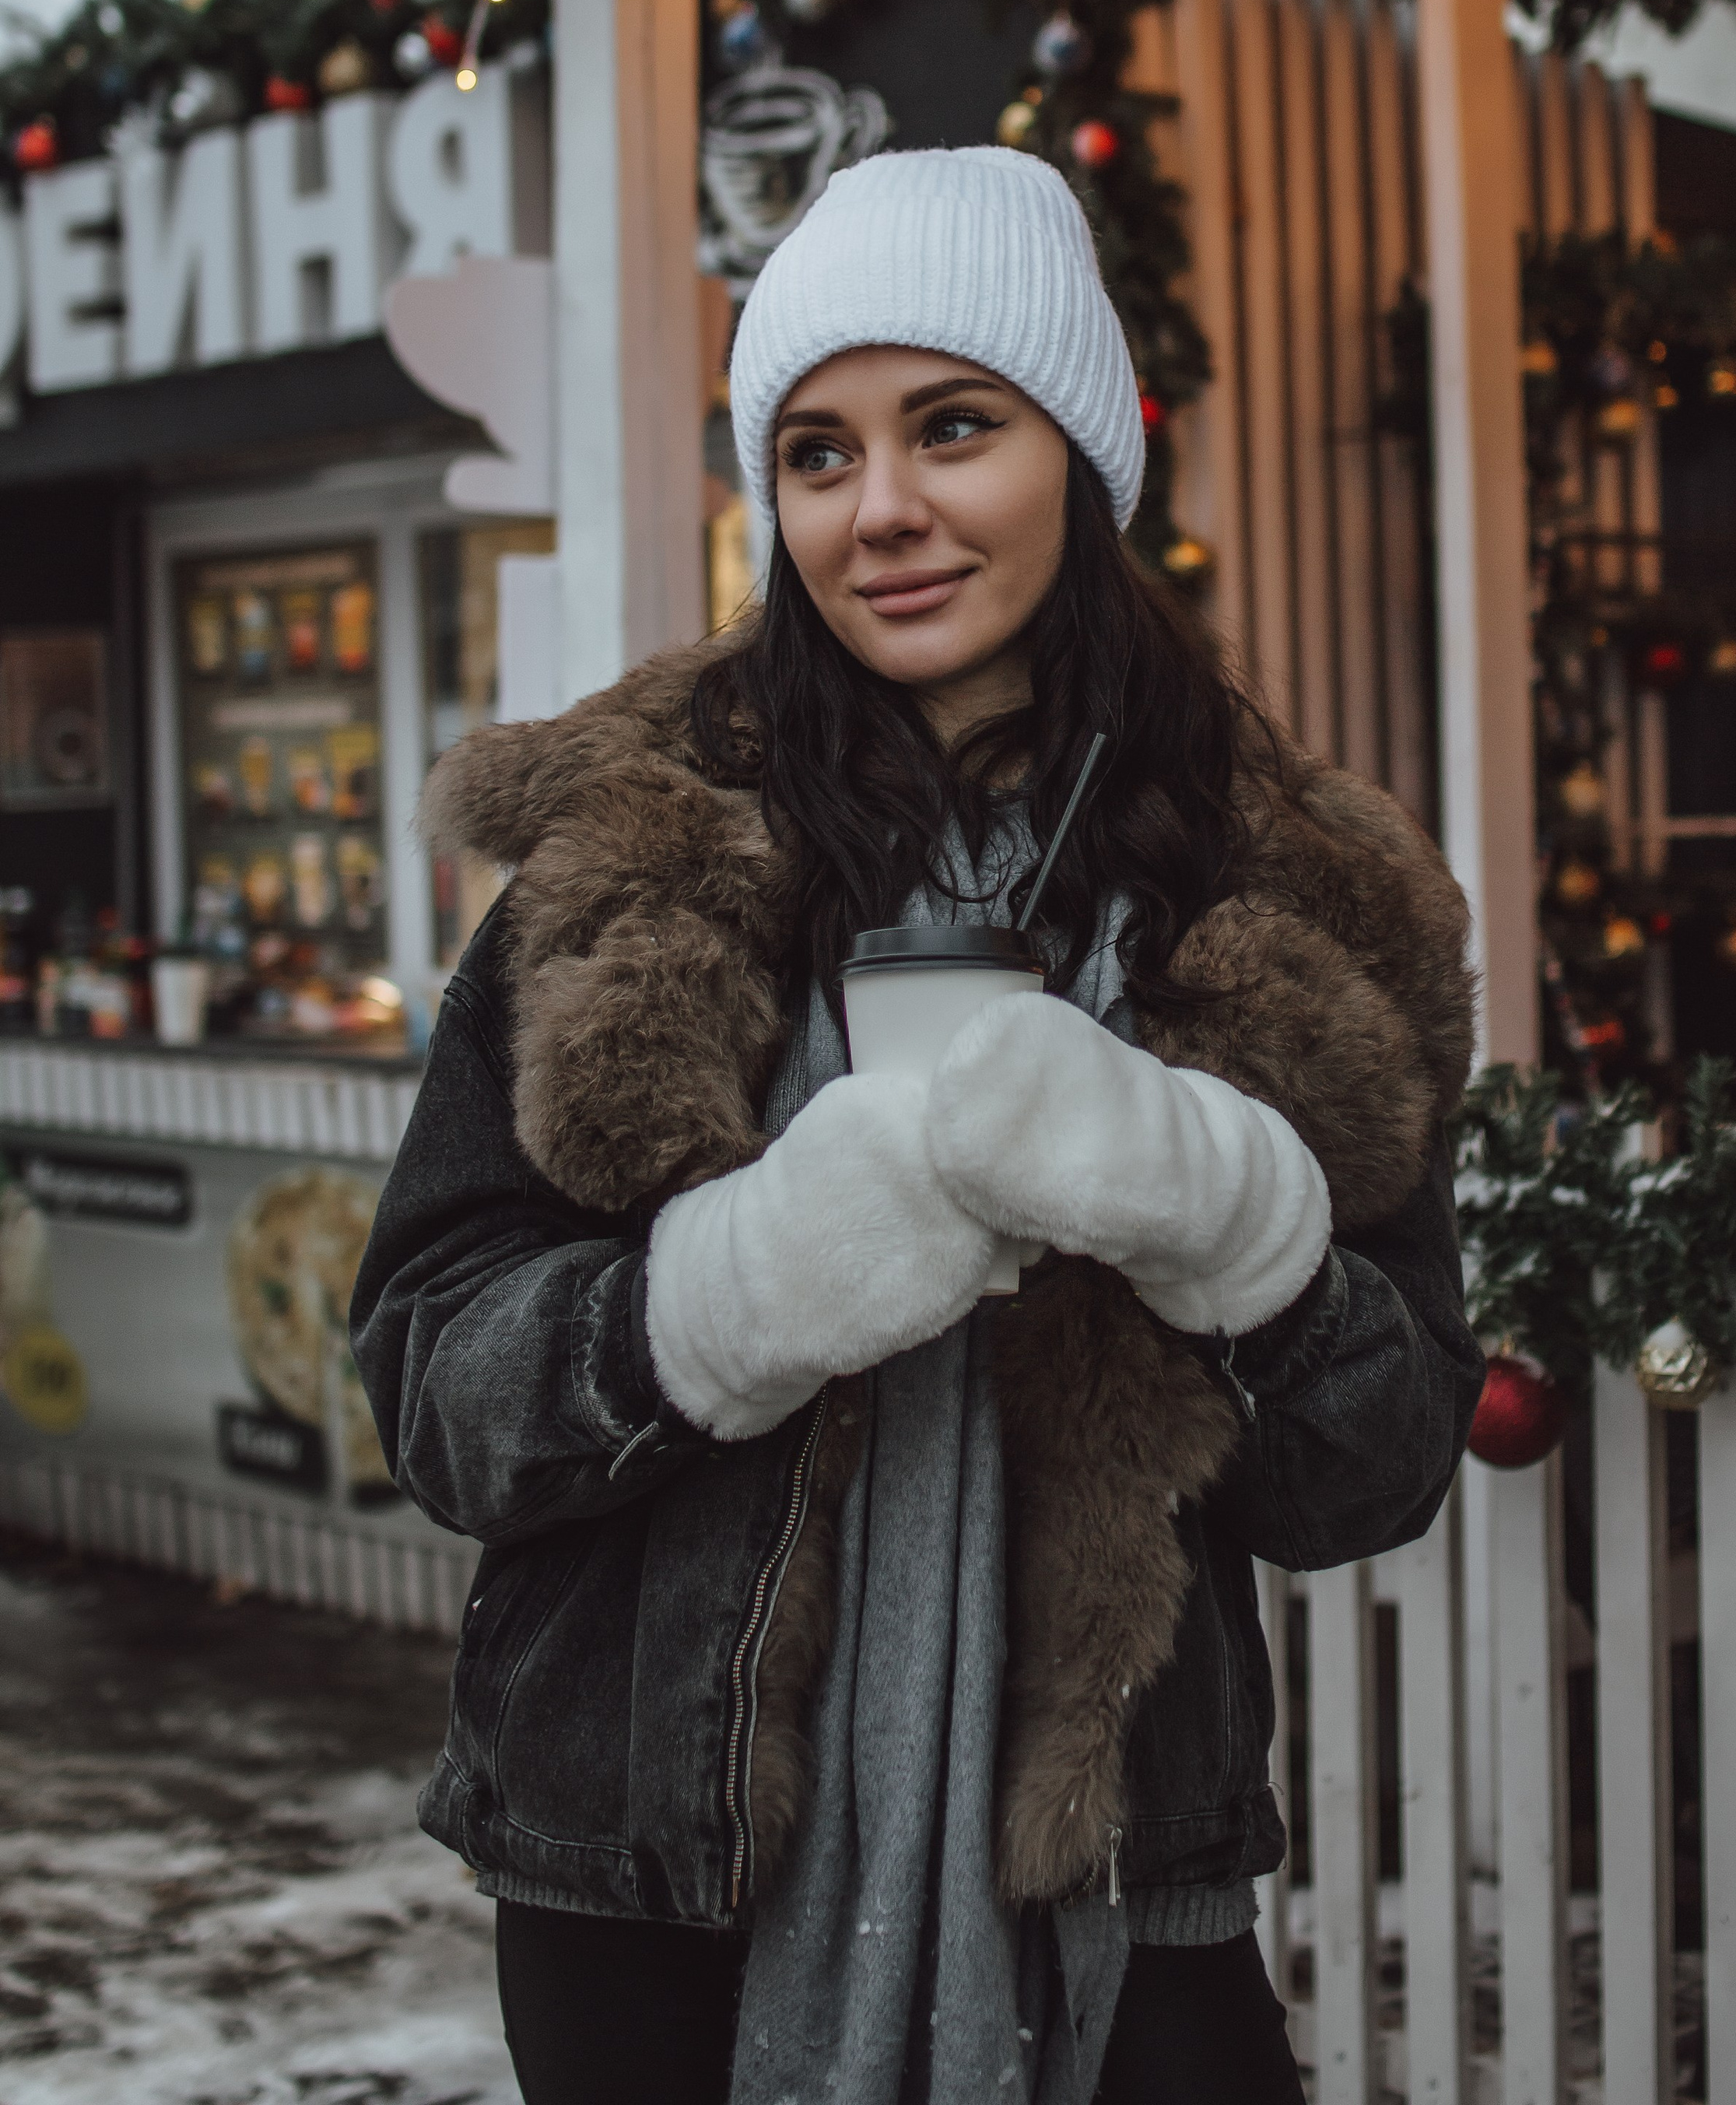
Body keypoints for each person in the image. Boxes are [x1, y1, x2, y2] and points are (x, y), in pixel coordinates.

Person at [352, 145, 1483, 2105]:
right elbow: (434, 1387)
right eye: (815, 452)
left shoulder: (1300, 898)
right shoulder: (619, 864)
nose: (878, 509)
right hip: (652, 1873)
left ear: (1083, 455)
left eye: (951, 426)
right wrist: (717, 1303)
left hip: (1113, 1877)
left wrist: (1229, 1229)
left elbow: (1367, 1477)